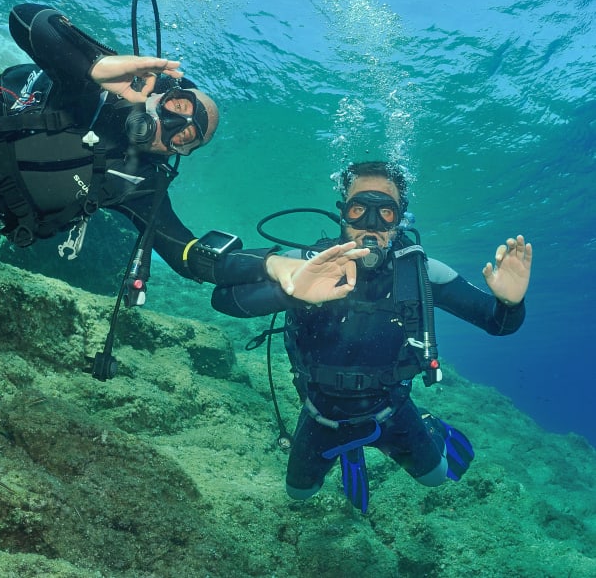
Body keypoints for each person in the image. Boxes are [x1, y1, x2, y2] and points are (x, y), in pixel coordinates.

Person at [0, 2, 300, 290]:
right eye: (180, 107)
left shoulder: (141, 184)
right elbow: (24, 18)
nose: (173, 125)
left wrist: (273, 265)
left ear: (179, 153)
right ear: (164, 92)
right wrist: (94, 63)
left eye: (187, 135)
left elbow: (187, 255)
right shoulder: (90, 90)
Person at [211, 160, 532, 513]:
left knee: (436, 478)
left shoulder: (421, 270)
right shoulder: (305, 264)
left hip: (390, 410)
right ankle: (349, 450)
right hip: (321, 413)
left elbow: (497, 324)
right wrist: (291, 289)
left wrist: (509, 302)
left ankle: (426, 421)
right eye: (359, 208)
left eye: (386, 213)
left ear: (401, 218)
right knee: (298, 494)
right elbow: (223, 298)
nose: (372, 225)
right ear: (343, 213)